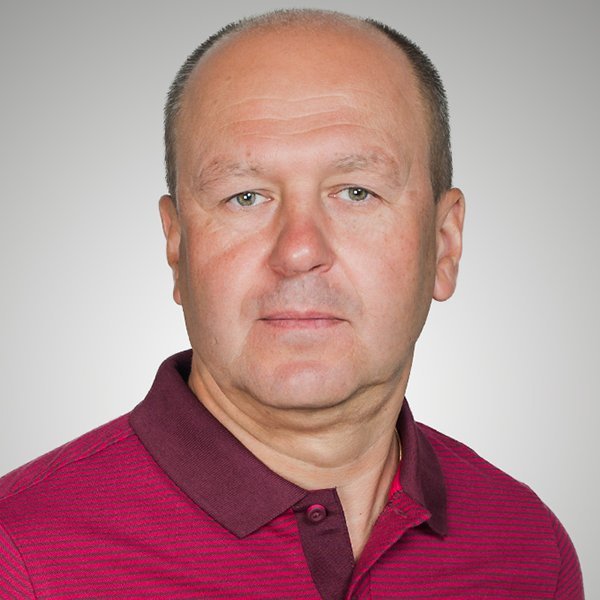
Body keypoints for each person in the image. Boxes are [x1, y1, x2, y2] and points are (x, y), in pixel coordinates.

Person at [0, 9, 584, 599]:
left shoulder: (530, 549)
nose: (300, 251)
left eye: (356, 192)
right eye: (245, 197)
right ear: (177, 246)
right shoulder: (18, 558)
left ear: (444, 243)